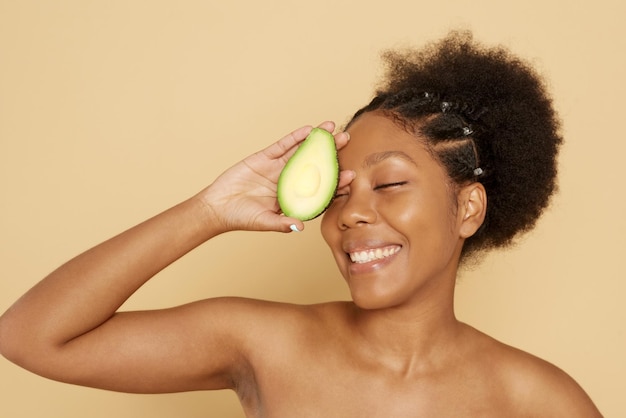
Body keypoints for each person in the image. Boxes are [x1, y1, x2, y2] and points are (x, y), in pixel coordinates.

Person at [0, 31, 601, 417]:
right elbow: (30, 337)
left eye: (389, 184)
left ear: (467, 208)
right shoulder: (263, 344)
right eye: (336, 193)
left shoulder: (539, 401)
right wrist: (208, 211)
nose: (354, 212)